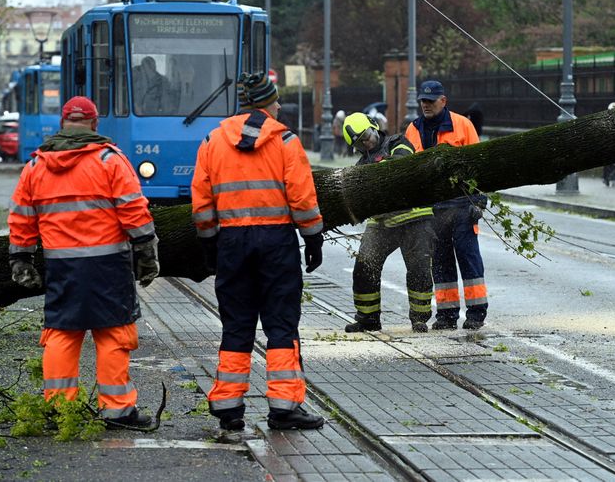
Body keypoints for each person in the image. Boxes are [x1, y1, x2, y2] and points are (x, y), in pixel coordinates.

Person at [7, 96, 159, 429]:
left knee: (62, 333)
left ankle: (60, 410)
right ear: (94, 123)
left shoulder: (36, 166)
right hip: (108, 265)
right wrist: (147, 252)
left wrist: (21, 258)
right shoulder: (109, 160)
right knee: (114, 333)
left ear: (63, 123)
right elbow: (133, 210)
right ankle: (117, 411)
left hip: (62, 267)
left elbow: (21, 217)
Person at [191, 72, 326, 432]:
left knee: (236, 324)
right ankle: (284, 407)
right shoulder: (285, 140)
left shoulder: (212, 141)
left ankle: (228, 406)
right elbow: (302, 197)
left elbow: (201, 200)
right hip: (276, 242)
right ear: (267, 104)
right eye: (276, 100)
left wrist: (209, 242)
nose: (280, 106)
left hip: (232, 243)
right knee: (281, 323)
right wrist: (313, 238)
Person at [404, 80, 489, 331]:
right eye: (423, 101)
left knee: (469, 259)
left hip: (462, 206)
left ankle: (476, 313)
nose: (426, 105)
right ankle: (447, 315)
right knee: (441, 263)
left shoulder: (463, 125)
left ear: (443, 101)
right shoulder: (413, 129)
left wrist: (479, 201)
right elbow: (407, 171)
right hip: (433, 209)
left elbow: (479, 165)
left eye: (430, 101)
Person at [340, 112, 435, 334]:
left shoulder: (398, 143)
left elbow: (400, 164)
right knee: (364, 265)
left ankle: (419, 319)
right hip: (382, 222)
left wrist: (373, 173)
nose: (366, 144)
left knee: (419, 269)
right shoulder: (361, 164)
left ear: (374, 127)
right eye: (359, 143)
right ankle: (368, 318)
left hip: (415, 217)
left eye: (366, 136)